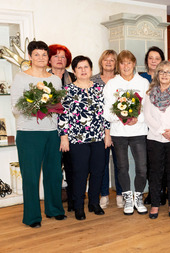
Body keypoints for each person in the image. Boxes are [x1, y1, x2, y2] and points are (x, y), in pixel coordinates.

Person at [11, 41, 66, 228]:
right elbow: (15, 107)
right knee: (31, 176)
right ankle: (32, 217)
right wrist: (35, 106)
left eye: (44, 54)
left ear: (48, 58)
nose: (41, 58)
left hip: (52, 132)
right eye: (37, 54)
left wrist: (50, 107)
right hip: (29, 133)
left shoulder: (55, 80)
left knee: (54, 174)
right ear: (30, 57)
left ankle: (55, 210)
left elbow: (59, 107)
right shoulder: (20, 78)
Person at [58, 55, 111, 220]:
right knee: (80, 173)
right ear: (74, 71)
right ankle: (79, 206)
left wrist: (107, 135)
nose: (83, 70)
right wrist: (64, 137)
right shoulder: (67, 90)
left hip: (98, 137)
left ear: (91, 69)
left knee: (98, 171)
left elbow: (105, 114)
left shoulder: (99, 89)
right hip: (77, 140)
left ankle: (94, 203)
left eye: (86, 67)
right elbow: (63, 116)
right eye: (79, 68)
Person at [103, 50, 149, 215]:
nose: (126, 66)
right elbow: (106, 112)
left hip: (139, 131)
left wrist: (139, 118)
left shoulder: (143, 83)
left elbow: (148, 108)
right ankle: (127, 197)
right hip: (119, 132)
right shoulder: (111, 84)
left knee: (142, 167)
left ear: (134, 64)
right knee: (122, 167)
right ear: (118, 65)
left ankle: (138, 196)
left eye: (129, 62)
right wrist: (121, 117)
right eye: (122, 63)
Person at [143, 61, 170, 219]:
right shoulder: (149, 93)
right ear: (157, 74)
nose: (164, 75)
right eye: (161, 71)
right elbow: (147, 116)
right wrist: (163, 132)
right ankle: (155, 204)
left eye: (168, 72)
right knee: (155, 173)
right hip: (155, 137)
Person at [91, 50, 124, 209]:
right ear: (101, 62)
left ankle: (119, 194)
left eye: (112, 60)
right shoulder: (93, 80)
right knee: (101, 163)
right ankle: (103, 194)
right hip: (98, 129)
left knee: (120, 163)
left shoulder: (121, 80)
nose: (109, 62)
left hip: (118, 128)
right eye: (106, 59)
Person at [48, 44, 76, 212]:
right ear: (49, 59)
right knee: (54, 168)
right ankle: (54, 203)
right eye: (56, 56)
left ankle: (73, 200)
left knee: (73, 167)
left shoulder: (73, 77)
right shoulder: (42, 78)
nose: (60, 59)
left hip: (72, 131)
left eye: (63, 56)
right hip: (50, 129)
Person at [140, 46, 167, 205]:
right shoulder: (141, 78)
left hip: (163, 126)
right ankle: (153, 192)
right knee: (150, 163)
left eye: (157, 58)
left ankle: (163, 192)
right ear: (147, 61)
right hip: (146, 127)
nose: (154, 61)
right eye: (151, 58)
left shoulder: (167, 77)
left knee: (163, 161)